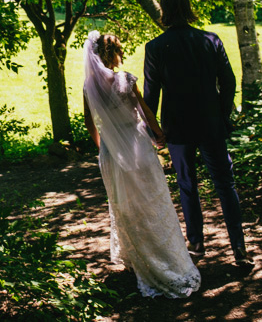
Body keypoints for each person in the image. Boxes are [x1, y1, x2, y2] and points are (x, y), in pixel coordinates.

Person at [83, 30, 201, 298]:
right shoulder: (125, 79)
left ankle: (138, 256)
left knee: (126, 205)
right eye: (119, 50)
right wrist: (159, 134)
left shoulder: (90, 86)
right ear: (110, 54)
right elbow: (145, 111)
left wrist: (103, 147)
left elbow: (90, 122)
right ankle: (162, 255)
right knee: (152, 199)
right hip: (136, 146)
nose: (122, 55)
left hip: (113, 152)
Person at [143, 0, 252, 267]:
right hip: (210, 123)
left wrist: (153, 130)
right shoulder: (210, 40)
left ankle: (197, 244)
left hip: (177, 127)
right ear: (188, 7)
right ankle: (239, 248)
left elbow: (151, 94)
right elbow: (228, 82)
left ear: (164, 11)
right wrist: (224, 115)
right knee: (225, 184)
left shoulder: (155, 47)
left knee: (187, 184)